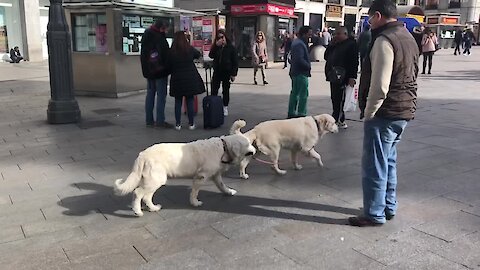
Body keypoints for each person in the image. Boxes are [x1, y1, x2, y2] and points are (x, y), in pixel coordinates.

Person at [352, 0, 419, 227]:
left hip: (385, 111)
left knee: (375, 165)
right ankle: (388, 206)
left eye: (370, 18)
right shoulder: (408, 37)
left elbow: (380, 84)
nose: (369, 23)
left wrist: (370, 112)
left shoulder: (383, 40)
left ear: (378, 16)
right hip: (404, 109)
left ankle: (374, 213)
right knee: (388, 161)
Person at [166, 31, 205, 131]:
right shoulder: (189, 49)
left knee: (178, 102)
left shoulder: (171, 51)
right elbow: (198, 54)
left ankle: (178, 124)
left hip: (177, 79)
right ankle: (191, 123)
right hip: (189, 79)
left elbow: (168, 65)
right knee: (190, 101)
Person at [140, 19, 173, 128]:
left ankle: (149, 120)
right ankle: (160, 121)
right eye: (166, 29)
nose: (167, 31)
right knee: (161, 96)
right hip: (160, 72)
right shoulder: (160, 38)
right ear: (162, 28)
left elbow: (144, 55)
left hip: (149, 72)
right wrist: (168, 68)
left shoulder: (146, 35)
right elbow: (166, 55)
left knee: (150, 95)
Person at [324, 26, 359, 129]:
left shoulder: (351, 45)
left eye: (338, 34)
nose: (336, 36)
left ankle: (338, 119)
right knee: (334, 97)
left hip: (344, 76)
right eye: (335, 34)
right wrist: (331, 44)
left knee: (340, 99)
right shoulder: (335, 45)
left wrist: (352, 77)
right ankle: (338, 117)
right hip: (334, 75)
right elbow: (326, 56)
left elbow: (354, 62)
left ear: (345, 34)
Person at [209, 29, 239, 117]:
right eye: (219, 38)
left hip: (227, 71)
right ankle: (213, 105)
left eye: (222, 37)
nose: (221, 39)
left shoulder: (230, 47)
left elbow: (235, 62)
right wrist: (215, 46)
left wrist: (234, 74)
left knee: (225, 90)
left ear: (225, 37)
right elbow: (211, 55)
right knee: (214, 88)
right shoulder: (216, 46)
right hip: (217, 71)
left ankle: (225, 106)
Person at [287, 26, 312, 119]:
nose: (310, 36)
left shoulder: (297, 42)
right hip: (300, 72)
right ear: (304, 34)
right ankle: (301, 113)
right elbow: (299, 59)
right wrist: (308, 65)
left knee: (295, 93)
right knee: (303, 94)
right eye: (309, 34)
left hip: (295, 71)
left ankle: (292, 112)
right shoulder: (299, 44)